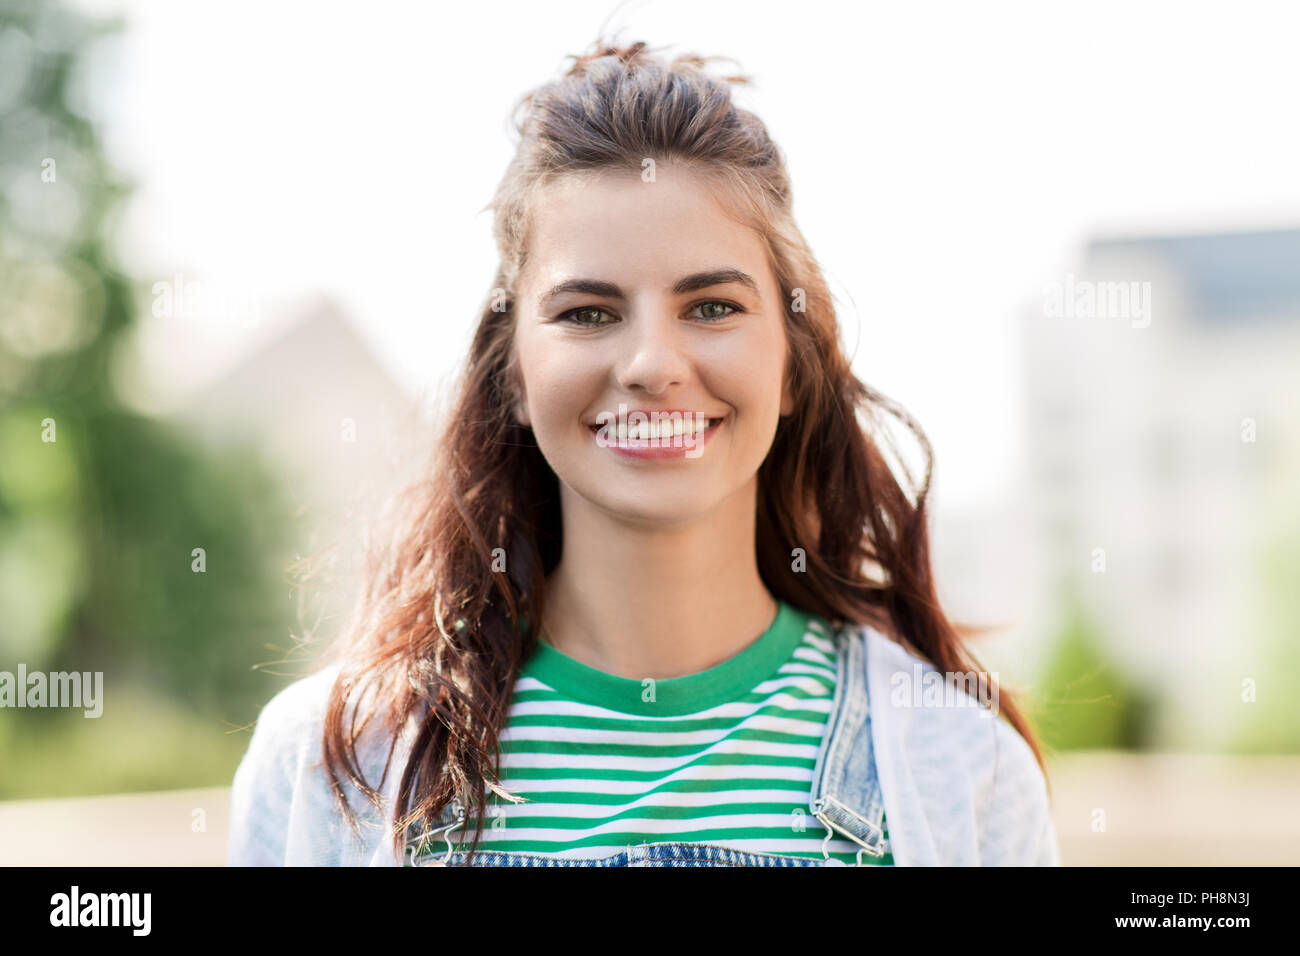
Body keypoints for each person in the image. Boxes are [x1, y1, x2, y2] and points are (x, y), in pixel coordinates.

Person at [227, 39, 1060, 867]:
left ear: (793, 366)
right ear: (512, 374)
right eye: (588, 313)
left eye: (712, 307)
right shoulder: (330, 767)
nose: (652, 365)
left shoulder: (961, 769)